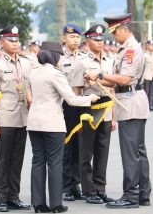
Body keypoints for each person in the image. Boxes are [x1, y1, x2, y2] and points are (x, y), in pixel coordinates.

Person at [86, 13, 152, 208]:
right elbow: (116, 78)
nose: (113, 37)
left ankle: (131, 195)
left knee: (130, 152)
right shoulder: (126, 48)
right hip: (131, 100)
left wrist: (99, 73)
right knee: (138, 151)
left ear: (123, 29)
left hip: (130, 102)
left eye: (114, 32)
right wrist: (98, 78)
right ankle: (143, 193)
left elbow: (124, 79)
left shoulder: (131, 50)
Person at [27, 41, 99, 213]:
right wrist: (90, 98)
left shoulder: (34, 72)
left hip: (34, 122)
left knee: (38, 161)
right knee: (54, 163)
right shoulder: (55, 74)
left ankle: (38, 203)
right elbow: (71, 99)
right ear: (55, 56)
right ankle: (55, 204)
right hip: (52, 123)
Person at [0, 24, 32, 212]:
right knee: (4, 159)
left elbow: (29, 88)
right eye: (10, 40)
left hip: (23, 117)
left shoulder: (26, 63)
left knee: (17, 159)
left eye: (16, 40)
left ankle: (14, 196)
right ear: (1, 42)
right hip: (5, 117)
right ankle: (1, 197)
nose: (14, 44)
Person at [78, 24, 115, 204]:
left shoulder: (110, 60)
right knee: (86, 152)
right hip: (88, 110)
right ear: (87, 41)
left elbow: (113, 90)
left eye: (101, 39)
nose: (99, 43)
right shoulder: (82, 62)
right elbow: (76, 91)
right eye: (95, 39)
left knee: (103, 151)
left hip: (106, 110)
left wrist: (114, 117)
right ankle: (88, 190)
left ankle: (100, 187)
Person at [59, 23, 86, 202]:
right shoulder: (58, 58)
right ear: (63, 38)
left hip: (82, 105)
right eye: (71, 37)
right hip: (64, 106)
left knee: (79, 146)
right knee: (66, 147)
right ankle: (65, 186)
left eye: (77, 37)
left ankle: (76, 183)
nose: (75, 40)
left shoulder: (84, 57)